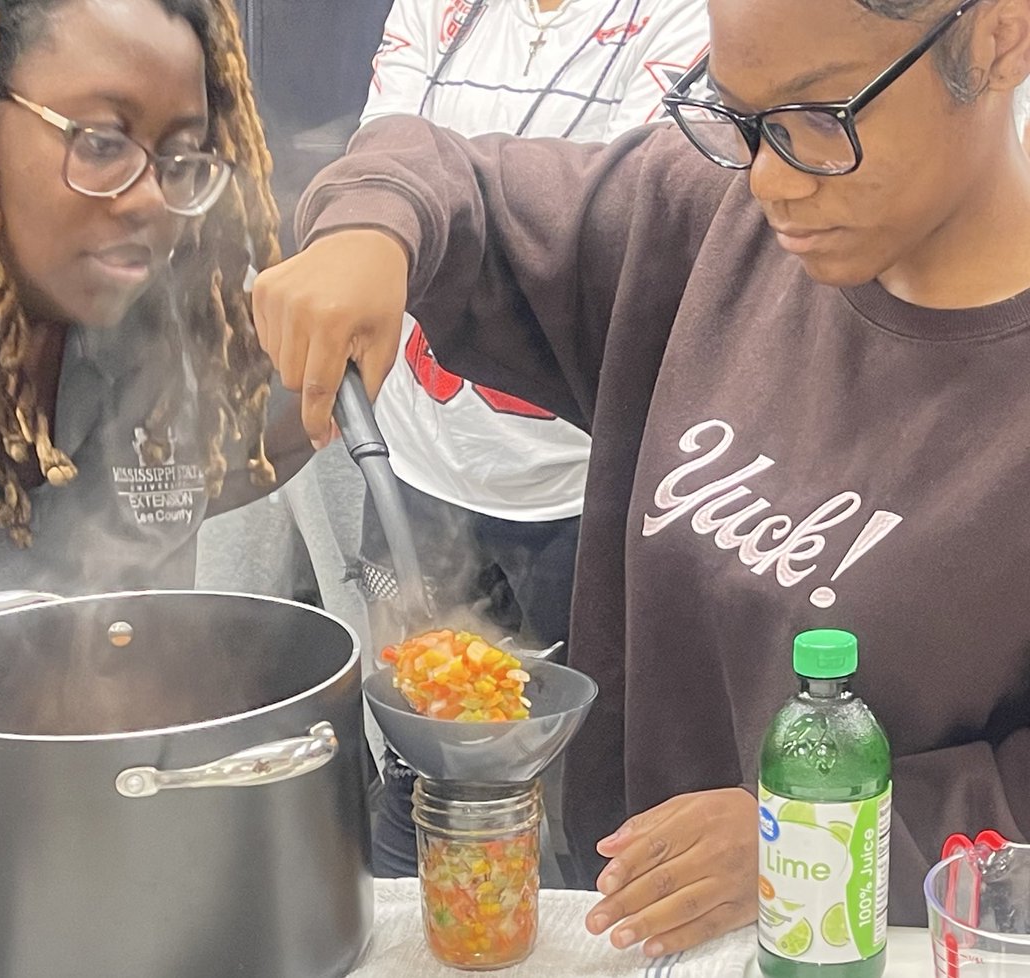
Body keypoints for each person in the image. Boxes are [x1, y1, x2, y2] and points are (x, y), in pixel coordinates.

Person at [253, 0, 1030, 958]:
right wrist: (367, 231)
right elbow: (450, 172)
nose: (773, 179)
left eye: (821, 119)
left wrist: (823, 833)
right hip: (626, 924)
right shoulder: (704, 222)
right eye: (738, 121)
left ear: (998, 36)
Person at [0, 0, 310, 858]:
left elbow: (215, 460)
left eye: (180, 156)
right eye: (100, 141)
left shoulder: (161, 293)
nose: (149, 202)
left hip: (109, 870)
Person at [359, 0, 709, 880]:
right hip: (414, 462)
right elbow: (386, 152)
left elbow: (612, 224)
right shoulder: (440, 11)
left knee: (587, 791)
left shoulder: (685, 20)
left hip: (581, 492)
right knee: (416, 758)